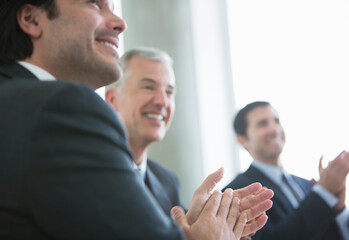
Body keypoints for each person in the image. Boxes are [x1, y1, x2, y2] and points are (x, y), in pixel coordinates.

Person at [0, 1, 273, 239]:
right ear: (32, 19)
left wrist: (186, 230)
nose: (120, 23)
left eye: (169, 91)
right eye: (94, 3)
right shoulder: (61, 106)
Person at [224, 101, 349, 240]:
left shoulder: (308, 185)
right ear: (242, 140)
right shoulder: (236, 192)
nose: (274, 129)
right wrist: (323, 193)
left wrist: (339, 210)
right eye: (263, 124)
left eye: (276, 121)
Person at [105, 47, 185, 216]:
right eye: (148, 87)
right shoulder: (89, 172)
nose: (163, 101)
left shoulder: (167, 180)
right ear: (112, 100)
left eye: (169, 92)